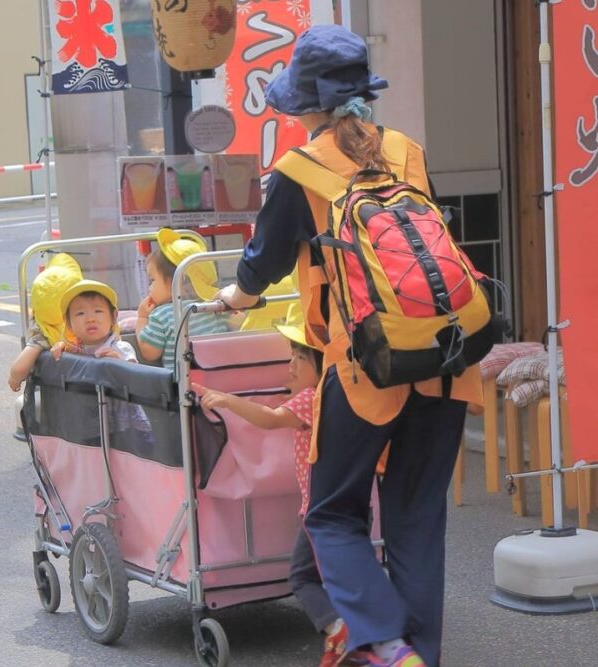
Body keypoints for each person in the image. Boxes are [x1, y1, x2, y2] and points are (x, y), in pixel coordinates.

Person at [217, 25, 482, 667]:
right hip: (444, 356)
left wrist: (235, 299)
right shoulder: (407, 151)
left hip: (365, 367)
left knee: (333, 514)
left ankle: (386, 644)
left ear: (306, 105)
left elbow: (261, 267)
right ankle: (419, 656)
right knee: (417, 518)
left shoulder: (299, 170)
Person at [192, 304, 365, 667]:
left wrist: (225, 399)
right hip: (353, 501)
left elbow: (270, 420)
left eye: (299, 359)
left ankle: (339, 629)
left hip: (320, 508)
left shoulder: (310, 400)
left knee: (302, 577)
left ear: (320, 366)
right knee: (339, 573)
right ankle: (345, 641)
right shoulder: (342, 396)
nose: (290, 366)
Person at [50, 279, 154, 447]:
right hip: (90, 431)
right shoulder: (73, 352)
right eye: (80, 314)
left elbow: (137, 381)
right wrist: (59, 348)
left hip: (128, 431)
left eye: (98, 311)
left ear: (113, 316)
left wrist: (119, 366)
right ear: (68, 322)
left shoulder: (121, 349)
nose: (90, 319)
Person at [135, 228, 229, 373]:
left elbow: (149, 352)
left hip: (186, 389)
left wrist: (142, 317)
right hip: (223, 378)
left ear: (179, 280)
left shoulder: (162, 315)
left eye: (152, 280)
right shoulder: (215, 306)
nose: (149, 287)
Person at [7, 252, 83, 393]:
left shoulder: (43, 334)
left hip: (59, 397)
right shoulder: (85, 327)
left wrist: (13, 379)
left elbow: (19, 368)